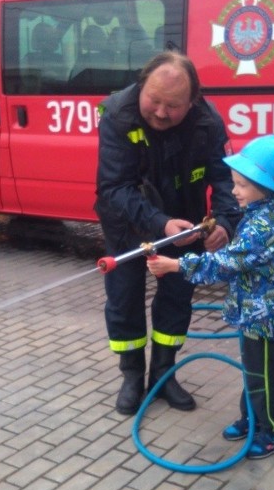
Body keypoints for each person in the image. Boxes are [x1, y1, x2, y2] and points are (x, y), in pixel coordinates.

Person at [95, 51, 241, 416]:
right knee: (123, 299)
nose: (161, 112)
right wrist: (161, 223)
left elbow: (225, 178)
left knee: (177, 298)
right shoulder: (117, 116)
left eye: (173, 106)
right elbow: (114, 188)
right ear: (142, 84)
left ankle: (162, 375)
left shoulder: (208, 123)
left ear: (192, 102)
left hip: (185, 227)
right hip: (128, 224)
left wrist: (224, 222)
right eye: (154, 101)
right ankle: (132, 377)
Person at [147, 135, 274, 459]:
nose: (235, 191)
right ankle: (251, 419)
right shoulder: (258, 215)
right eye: (235, 183)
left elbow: (226, 264)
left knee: (262, 373)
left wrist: (176, 265)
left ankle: (271, 431)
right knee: (253, 369)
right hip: (253, 311)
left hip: (262, 314)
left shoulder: (264, 227)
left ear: (266, 185)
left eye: (242, 184)